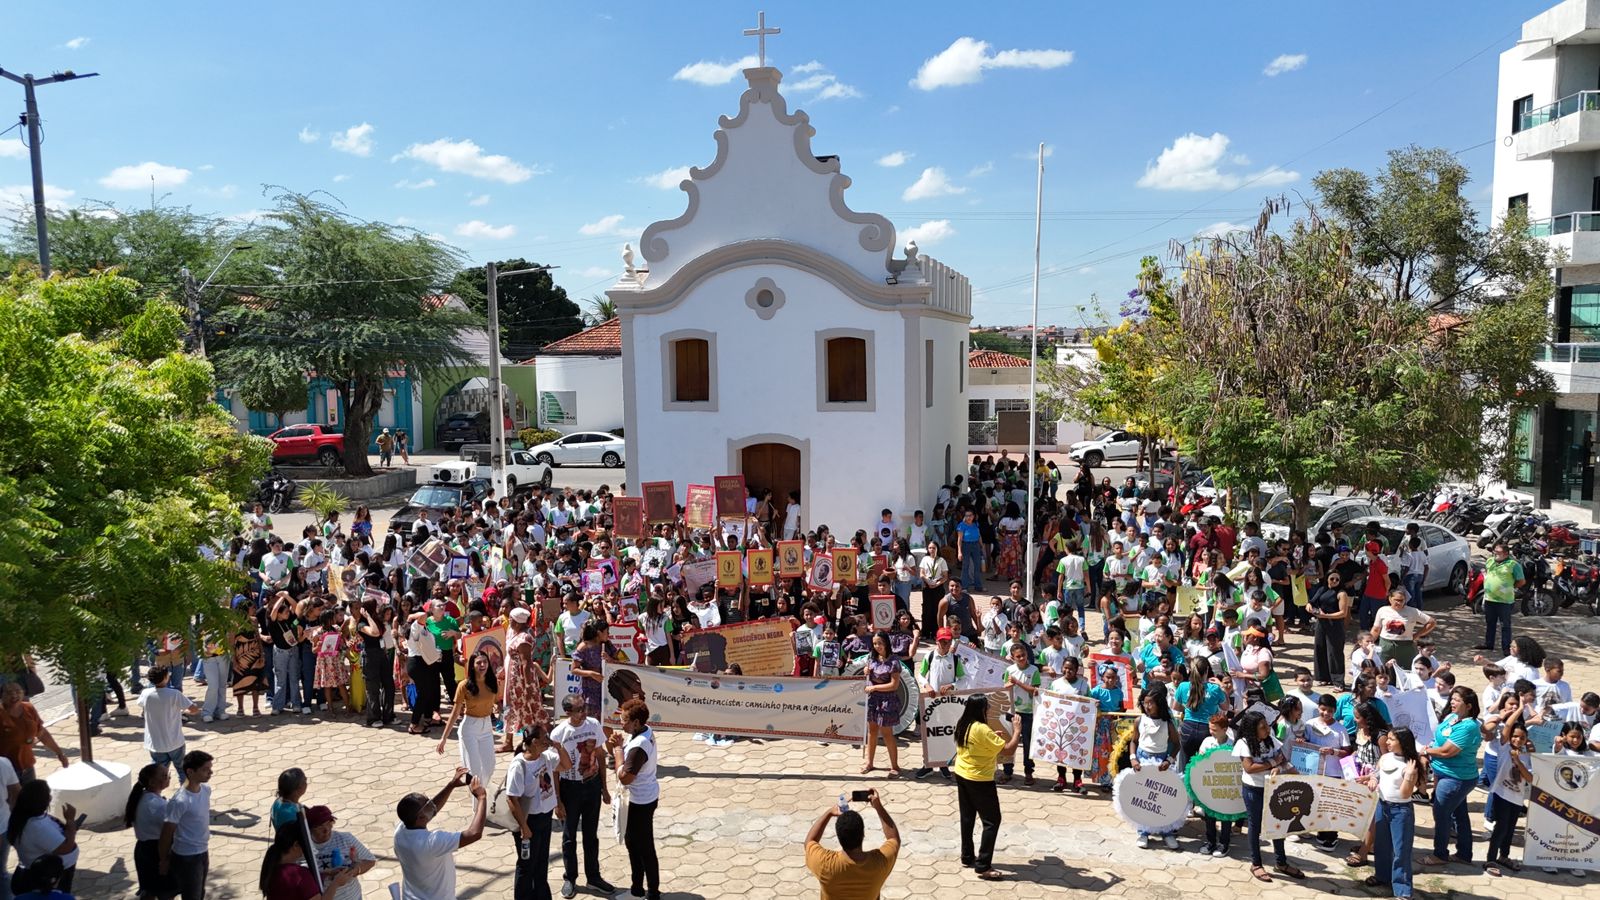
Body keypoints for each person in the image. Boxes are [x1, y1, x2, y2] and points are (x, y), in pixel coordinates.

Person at [953, 694, 1022, 881]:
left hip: (961, 773)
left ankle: (967, 856)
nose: (989, 709)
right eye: (987, 707)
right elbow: (1008, 750)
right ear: (981, 710)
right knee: (992, 821)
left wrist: (993, 738)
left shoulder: (964, 723)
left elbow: (981, 742)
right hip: (979, 779)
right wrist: (1016, 731)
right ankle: (983, 866)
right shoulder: (982, 729)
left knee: (967, 817)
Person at [551, 693, 612, 898]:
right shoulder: (559, 734)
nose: (584, 712)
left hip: (592, 785)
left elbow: (601, 756)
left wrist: (604, 787)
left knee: (590, 834)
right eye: (579, 710)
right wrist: (557, 801)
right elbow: (555, 771)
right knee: (569, 836)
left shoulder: (593, 725)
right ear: (568, 712)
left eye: (584, 707)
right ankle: (570, 878)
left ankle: (593, 877)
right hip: (570, 788)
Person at [393, 768, 488, 900]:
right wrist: (482, 798)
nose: (431, 804)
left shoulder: (400, 831)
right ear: (420, 817)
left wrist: (451, 785)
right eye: (427, 804)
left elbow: (431, 809)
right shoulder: (432, 842)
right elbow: (474, 833)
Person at [1234, 710, 1304, 883]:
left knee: (1278, 823)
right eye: (1262, 727)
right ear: (1252, 730)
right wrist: (1272, 763)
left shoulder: (1271, 740)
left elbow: (1284, 760)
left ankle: (1281, 862)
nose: (1267, 729)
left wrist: (1290, 773)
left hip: (1273, 788)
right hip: (1253, 789)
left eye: (1266, 725)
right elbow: (1249, 767)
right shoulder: (1243, 743)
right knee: (1255, 825)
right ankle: (1256, 864)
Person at [1419, 686, 1482, 869]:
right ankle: (1464, 853)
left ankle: (1440, 854)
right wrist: (1430, 747)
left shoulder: (1469, 726)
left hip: (1456, 778)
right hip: (1444, 774)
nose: (1452, 702)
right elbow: (1438, 738)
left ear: (1469, 706)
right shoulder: (1452, 718)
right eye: (1452, 699)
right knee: (1459, 814)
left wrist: (1425, 751)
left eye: (1457, 700)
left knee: (1441, 813)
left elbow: (1448, 751)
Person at [505, 724, 571, 900]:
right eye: (544, 739)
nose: (547, 741)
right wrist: (524, 827)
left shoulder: (546, 757)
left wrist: (558, 746)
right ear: (534, 742)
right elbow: (511, 799)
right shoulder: (519, 766)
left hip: (545, 817)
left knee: (541, 863)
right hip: (530, 821)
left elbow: (566, 765)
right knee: (527, 866)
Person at [607, 698, 660, 900]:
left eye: (626, 720)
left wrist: (618, 751)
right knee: (632, 843)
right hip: (640, 798)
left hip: (640, 802)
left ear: (636, 722)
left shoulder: (640, 744)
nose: (622, 724)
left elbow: (626, 777)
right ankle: (637, 889)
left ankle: (652, 893)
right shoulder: (642, 731)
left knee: (644, 847)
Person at [804, 789, 900, 900]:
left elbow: (809, 842)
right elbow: (894, 839)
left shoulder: (825, 864)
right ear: (863, 834)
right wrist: (878, 807)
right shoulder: (879, 862)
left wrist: (829, 813)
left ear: (839, 837)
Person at [1364, 727, 1421, 899]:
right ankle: (1382, 876)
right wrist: (1373, 779)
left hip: (1400, 811)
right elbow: (1377, 773)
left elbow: (1405, 794)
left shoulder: (1410, 765)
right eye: (1387, 738)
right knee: (1381, 845)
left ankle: (1402, 889)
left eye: (1391, 739)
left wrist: (1410, 776)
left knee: (1400, 850)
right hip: (1382, 805)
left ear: (1402, 742)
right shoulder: (1385, 757)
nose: (1387, 742)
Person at [435, 650, 499, 785]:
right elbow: (455, 712)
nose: (482, 665)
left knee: (489, 766)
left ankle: (482, 794)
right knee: (474, 771)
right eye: (478, 662)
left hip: (487, 727)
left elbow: (496, 701)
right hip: (470, 729)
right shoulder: (464, 685)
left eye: (485, 662)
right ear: (472, 665)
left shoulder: (493, 681)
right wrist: (444, 738)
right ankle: (477, 803)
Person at [1130, 686, 1182, 850]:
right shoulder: (1140, 720)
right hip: (1142, 762)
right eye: (1145, 703)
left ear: (1159, 704)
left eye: (1151, 703)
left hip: (1160, 764)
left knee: (1161, 798)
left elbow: (1176, 744)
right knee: (1144, 799)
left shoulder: (1167, 724)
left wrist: (1169, 760)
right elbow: (1134, 741)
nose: (1147, 706)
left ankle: (1166, 832)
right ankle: (1143, 832)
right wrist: (1133, 759)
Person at [160, 751, 213, 900]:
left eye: (210, 768)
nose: (210, 772)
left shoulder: (206, 790)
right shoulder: (180, 801)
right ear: (190, 771)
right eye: (205, 769)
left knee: (199, 893)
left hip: (203, 851)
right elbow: (167, 832)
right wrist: (163, 860)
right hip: (187, 856)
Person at [912, 628, 965, 780]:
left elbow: (963, 679)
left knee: (945, 733)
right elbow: (921, 675)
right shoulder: (930, 656)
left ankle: (944, 764)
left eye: (947, 642)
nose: (945, 644)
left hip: (948, 703)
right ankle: (927, 764)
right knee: (929, 733)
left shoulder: (955, 659)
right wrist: (926, 685)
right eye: (942, 641)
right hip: (931, 701)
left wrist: (951, 685)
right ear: (937, 641)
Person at [258, 822, 357, 900]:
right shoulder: (300, 874)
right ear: (296, 845)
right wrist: (336, 883)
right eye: (306, 844)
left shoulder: (272, 867)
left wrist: (324, 873)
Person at [7, 782, 76, 892]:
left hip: (37, 871)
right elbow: (66, 848)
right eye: (48, 794)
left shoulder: (23, 815)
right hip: (47, 877)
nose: (50, 797)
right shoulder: (36, 827)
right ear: (40, 801)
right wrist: (70, 821)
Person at [139, 666, 199, 783]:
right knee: (182, 771)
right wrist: (183, 711)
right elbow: (194, 709)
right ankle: (186, 796)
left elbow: (141, 704)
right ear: (165, 678)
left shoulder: (146, 694)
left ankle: (154, 795)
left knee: (158, 773)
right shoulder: (174, 694)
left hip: (156, 744)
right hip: (175, 741)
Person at [124, 763, 175, 900]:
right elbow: (172, 826)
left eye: (168, 774)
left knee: (149, 890)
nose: (168, 778)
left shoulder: (142, 796)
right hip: (157, 850)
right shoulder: (155, 805)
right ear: (152, 782)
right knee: (166, 892)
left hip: (143, 850)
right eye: (164, 776)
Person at [0, 682, 67, 783]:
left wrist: (59, 753)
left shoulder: (29, 708)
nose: (14, 695)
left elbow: (42, 734)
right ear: (2, 696)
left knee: (31, 797)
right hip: (6, 771)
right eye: (9, 692)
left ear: (23, 693)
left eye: (18, 691)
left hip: (27, 767)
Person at [306, 805, 375, 900]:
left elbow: (370, 860)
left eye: (329, 823)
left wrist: (355, 871)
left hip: (353, 896)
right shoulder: (304, 849)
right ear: (310, 829)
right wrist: (327, 874)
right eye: (320, 826)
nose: (326, 829)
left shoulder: (346, 838)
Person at [861, 632, 903, 778]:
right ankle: (869, 763)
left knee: (887, 734)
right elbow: (868, 678)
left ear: (886, 643)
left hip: (887, 701)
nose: (877, 646)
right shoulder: (871, 659)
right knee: (871, 732)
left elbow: (894, 685)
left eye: (879, 643)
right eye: (874, 643)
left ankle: (895, 765)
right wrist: (866, 672)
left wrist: (875, 688)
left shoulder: (894, 661)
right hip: (873, 700)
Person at [1476, 542, 1524, 657]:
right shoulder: (1490, 561)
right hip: (1489, 599)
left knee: (1505, 625)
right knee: (1490, 622)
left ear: (1506, 554)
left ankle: (1506, 648)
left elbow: (1521, 581)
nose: (1495, 554)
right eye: (1494, 552)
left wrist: (1509, 588)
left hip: (1504, 601)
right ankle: (1489, 643)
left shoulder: (1513, 564)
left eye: (1498, 552)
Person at [1370, 589, 1434, 670]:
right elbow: (1376, 629)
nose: (1399, 603)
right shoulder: (1382, 610)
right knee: (1384, 670)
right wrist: (1369, 642)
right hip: (1386, 645)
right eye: (1396, 600)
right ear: (1390, 599)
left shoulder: (1413, 611)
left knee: (1406, 671)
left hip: (1405, 647)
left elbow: (1431, 622)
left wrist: (1417, 635)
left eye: (1401, 600)